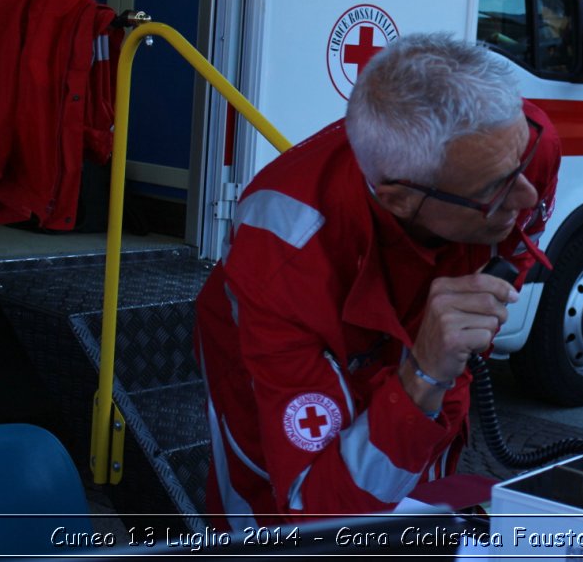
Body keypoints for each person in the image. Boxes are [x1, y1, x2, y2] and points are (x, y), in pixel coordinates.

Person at [194, 33, 561, 527]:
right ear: (399, 200)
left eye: (523, 164)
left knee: (420, 493)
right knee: (272, 520)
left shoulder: (524, 146)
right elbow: (314, 510)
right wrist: (423, 376)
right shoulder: (281, 261)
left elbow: (511, 246)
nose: (525, 195)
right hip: (276, 341)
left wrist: (441, 367)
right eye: (495, 192)